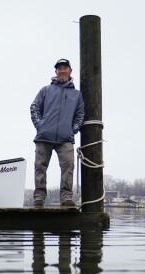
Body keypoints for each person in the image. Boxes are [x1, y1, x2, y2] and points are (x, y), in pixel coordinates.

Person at [30, 58, 85, 207]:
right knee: (40, 167)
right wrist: (40, 126)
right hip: (44, 136)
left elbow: (80, 115)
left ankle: (66, 197)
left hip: (65, 139)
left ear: (70, 71)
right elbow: (34, 108)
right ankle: (39, 198)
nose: (62, 70)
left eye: (65, 68)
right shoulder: (45, 90)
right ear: (56, 71)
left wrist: (72, 130)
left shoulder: (77, 95)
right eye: (59, 68)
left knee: (68, 167)